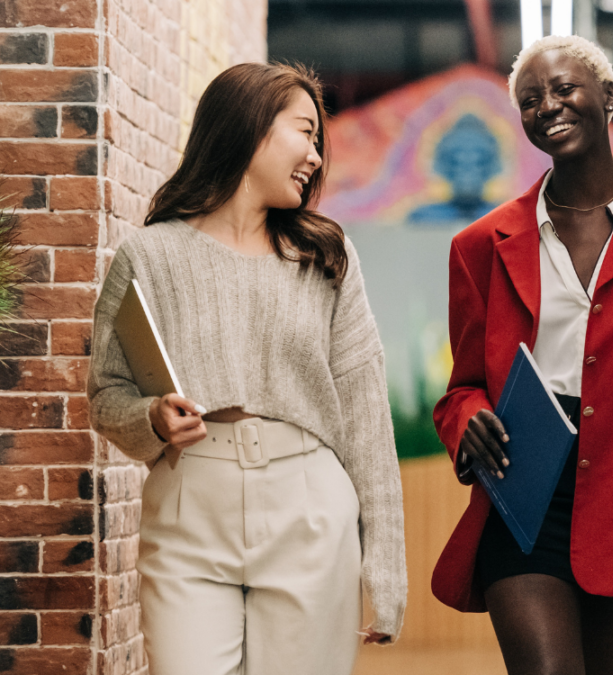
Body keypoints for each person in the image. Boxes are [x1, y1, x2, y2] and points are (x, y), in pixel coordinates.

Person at [87, 63, 406, 675]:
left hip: (309, 507)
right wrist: (150, 417)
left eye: (318, 141)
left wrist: (386, 567)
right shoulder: (148, 257)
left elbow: (366, 416)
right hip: (188, 507)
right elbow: (106, 395)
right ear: (250, 127)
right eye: (304, 132)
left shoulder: (326, 256)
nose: (315, 155)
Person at [431, 35, 613, 675]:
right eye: (531, 101)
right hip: (523, 495)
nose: (547, 106)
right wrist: (466, 417)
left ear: (608, 97)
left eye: (563, 89)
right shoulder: (481, 244)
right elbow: (462, 386)